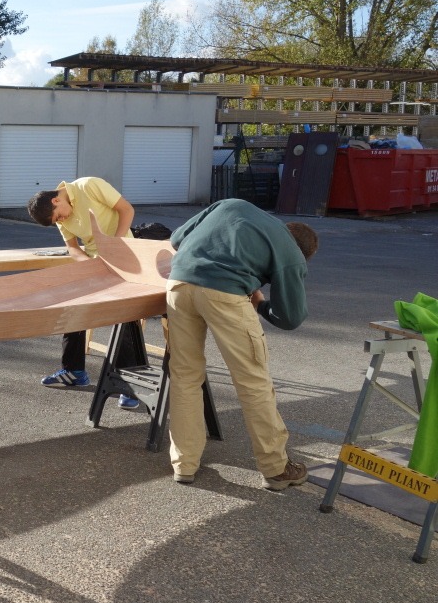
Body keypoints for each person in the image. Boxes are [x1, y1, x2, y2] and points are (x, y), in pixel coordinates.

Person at [165, 198, 319, 490]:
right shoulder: (291, 253)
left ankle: (184, 464)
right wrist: (260, 303)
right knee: (253, 382)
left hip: (178, 285)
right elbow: (290, 317)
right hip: (224, 293)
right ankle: (276, 468)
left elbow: (176, 239)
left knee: (185, 377)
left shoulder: (231, 204)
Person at [27, 176, 141, 409]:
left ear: (56, 200)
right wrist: (90, 263)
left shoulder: (89, 186)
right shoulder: (61, 216)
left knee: (122, 313)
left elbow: (126, 210)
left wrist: (113, 245)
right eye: (57, 221)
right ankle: (74, 371)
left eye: (58, 217)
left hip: (125, 255)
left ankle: (129, 383)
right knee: (73, 303)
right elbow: (72, 248)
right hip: (97, 262)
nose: (61, 221)